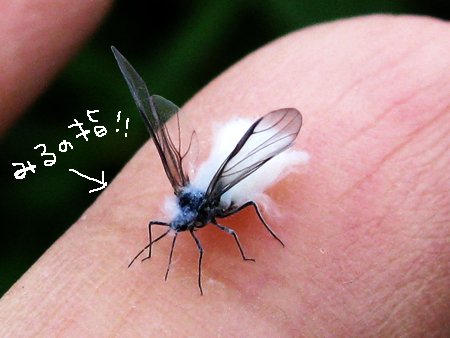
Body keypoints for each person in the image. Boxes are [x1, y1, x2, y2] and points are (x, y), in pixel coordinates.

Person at [0, 4, 449, 336]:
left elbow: (230, 223)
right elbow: (170, 216)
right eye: (181, 223)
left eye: (184, 224)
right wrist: (154, 244)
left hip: (237, 163)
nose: (179, 226)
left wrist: (236, 246)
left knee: (239, 217)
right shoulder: (181, 207)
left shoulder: (214, 209)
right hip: (222, 164)